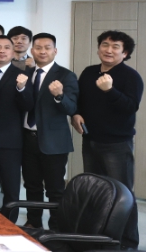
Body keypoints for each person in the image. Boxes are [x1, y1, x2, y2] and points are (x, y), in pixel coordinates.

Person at [72, 30, 143, 249]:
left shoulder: (131, 76)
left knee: (123, 195)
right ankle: (96, 238)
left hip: (117, 145)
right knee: (94, 192)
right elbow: (80, 101)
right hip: (90, 140)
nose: (109, 50)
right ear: (98, 48)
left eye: (115, 47)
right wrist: (75, 114)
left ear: (125, 53)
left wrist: (110, 90)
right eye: (105, 44)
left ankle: (128, 243)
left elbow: (130, 107)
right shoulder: (89, 72)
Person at [22, 32, 78, 231]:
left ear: (55, 51)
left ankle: (56, 228)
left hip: (54, 141)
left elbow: (71, 108)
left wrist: (59, 95)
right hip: (27, 138)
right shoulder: (26, 74)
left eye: (47, 48)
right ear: (32, 50)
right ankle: (33, 222)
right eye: (38, 48)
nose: (42, 51)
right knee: (31, 186)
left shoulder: (66, 75)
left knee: (55, 189)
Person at [0, 35, 34, 218]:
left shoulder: (22, 75)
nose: (2, 51)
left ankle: (9, 224)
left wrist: (21, 88)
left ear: (13, 52)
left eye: (6, 47)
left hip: (10, 140)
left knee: (11, 187)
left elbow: (28, 105)